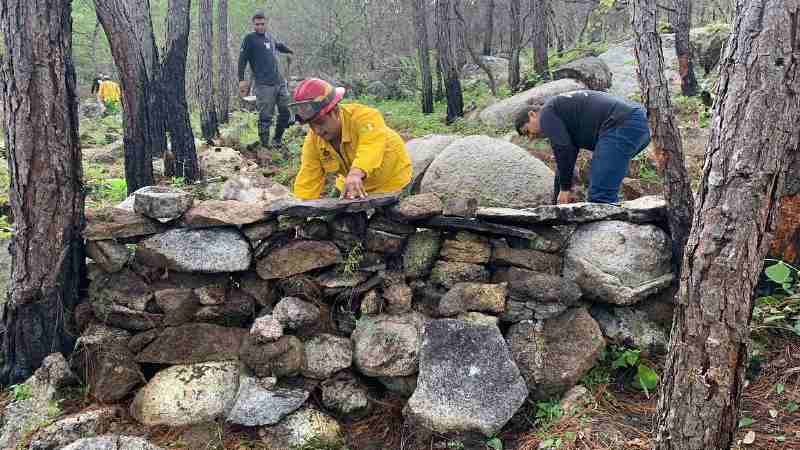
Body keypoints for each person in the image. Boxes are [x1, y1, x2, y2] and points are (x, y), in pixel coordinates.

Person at [515, 90, 651, 204]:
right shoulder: (562, 116)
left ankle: (607, 234)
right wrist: (556, 200)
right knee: (602, 186)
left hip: (623, 124)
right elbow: (564, 162)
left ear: (532, 114)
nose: (531, 138)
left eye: (527, 131)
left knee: (600, 197)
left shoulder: (546, 113)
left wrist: (565, 190)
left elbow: (563, 149)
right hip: (636, 124)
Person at [288, 78, 412, 200]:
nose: (317, 131)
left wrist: (356, 173)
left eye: (320, 122)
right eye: (311, 125)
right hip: (349, 184)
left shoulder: (366, 117)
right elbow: (308, 176)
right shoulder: (314, 139)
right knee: (333, 219)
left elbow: (370, 148)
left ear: (335, 111)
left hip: (392, 181)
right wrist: (297, 208)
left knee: (389, 219)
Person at [237, 10, 293, 149]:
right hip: (263, 85)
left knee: (286, 111)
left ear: (266, 23)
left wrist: (290, 51)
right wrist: (241, 79)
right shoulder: (249, 39)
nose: (260, 27)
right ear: (253, 24)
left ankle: (277, 139)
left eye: (262, 24)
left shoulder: (269, 37)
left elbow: (278, 45)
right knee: (265, 116)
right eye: (257, 24)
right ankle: (265, 146)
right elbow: (242, 60)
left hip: (279, 82)